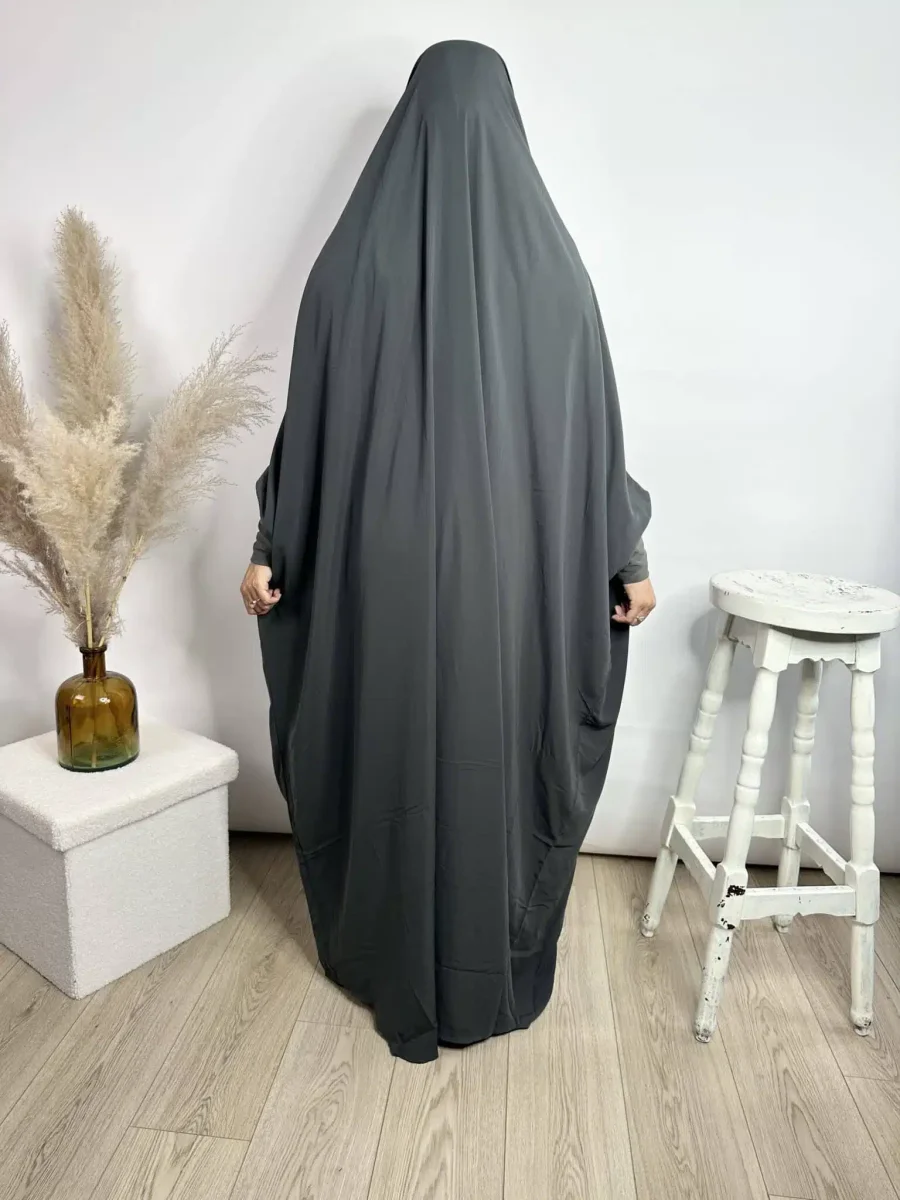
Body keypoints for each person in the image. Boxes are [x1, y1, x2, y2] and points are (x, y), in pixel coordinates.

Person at [240, 40, 654, 1063]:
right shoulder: (556, 279)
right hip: (510, 583)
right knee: (492, 749)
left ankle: (389, 953)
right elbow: (593, 438)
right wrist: (625, 555)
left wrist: (272, 545)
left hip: (374, 574)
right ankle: (484, 957)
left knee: (388, 741)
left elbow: (308, 436)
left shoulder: (347, 270)